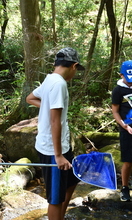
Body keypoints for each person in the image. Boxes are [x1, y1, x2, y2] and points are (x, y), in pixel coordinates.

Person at [26, 47, 84, 220]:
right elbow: (55, 121)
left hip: (61, 145)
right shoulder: (58, 83)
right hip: (52, 149)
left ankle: (60, 216)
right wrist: (58, 156)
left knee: (72, 182)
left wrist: (46, 107)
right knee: (55, 198)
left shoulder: (49, 79)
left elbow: (30, 98)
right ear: (73, 66)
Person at [111, 60, 132, 202]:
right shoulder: (118, 90)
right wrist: (124, 125)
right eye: (129, 80)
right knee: (128, 161)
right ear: (121, 75)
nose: (131, 83)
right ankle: (125, 188)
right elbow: (115, 112)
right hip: (126, 129)